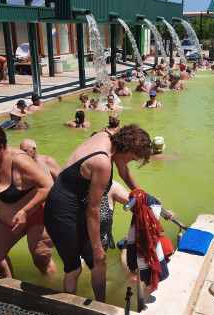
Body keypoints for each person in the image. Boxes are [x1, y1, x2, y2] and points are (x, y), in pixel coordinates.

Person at [44, 124, 152, 301]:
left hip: (76, 203)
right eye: (132, 158)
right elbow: (93, 209)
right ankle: (69, 309)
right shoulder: (102, 163)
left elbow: (123, 169)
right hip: (60, 212)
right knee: (74, 268)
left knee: (99, 263)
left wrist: (141, 195)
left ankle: (101, 304)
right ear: (126, 148)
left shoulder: (107, 136)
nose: (130, 162)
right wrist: (97, 247)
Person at [0, 124, 57, 278]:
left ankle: (52, 290)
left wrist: (25, 211)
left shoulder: (19, 161)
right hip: (7, 220)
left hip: (36, 215)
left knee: (41, 259)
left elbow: (47, 186)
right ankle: (10, 290)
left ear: (1, 147)